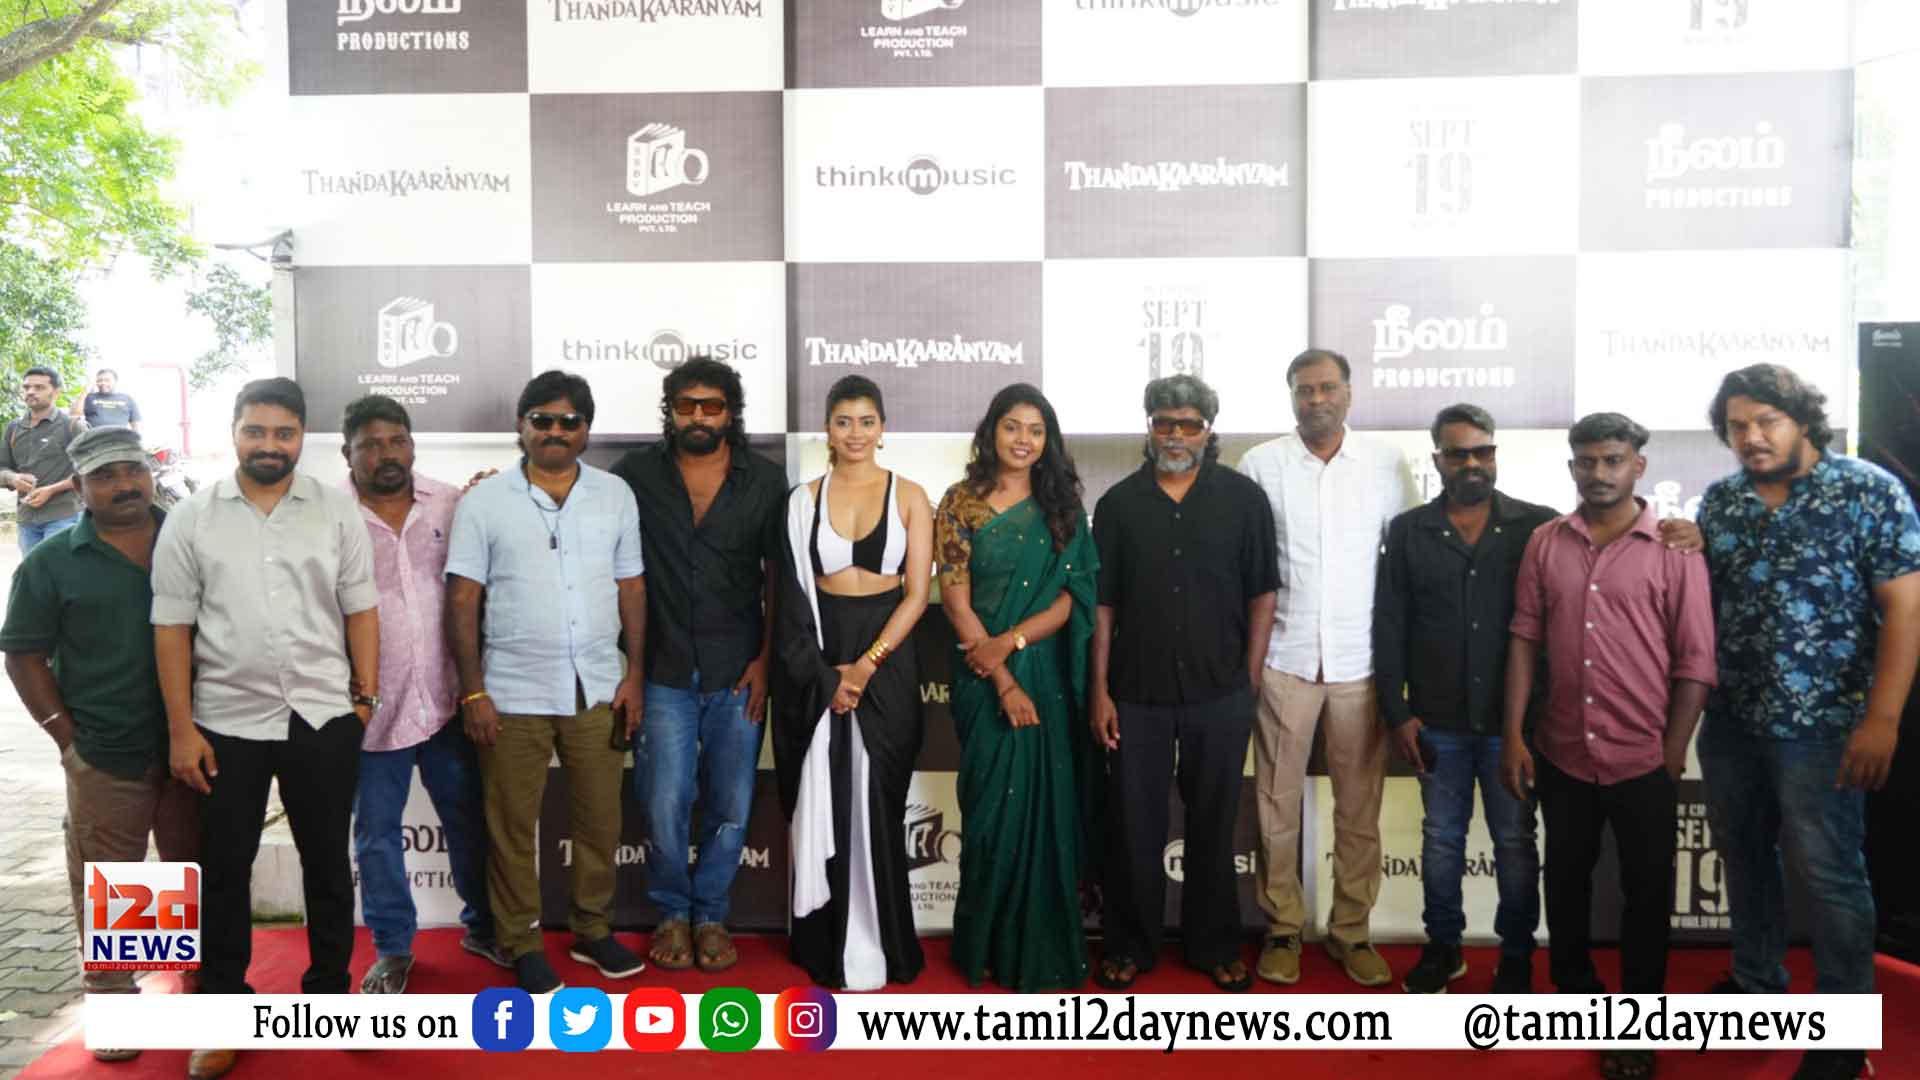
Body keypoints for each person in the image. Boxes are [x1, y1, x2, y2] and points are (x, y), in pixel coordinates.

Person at [1695, 365, 1920, 1080]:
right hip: (1732, 719)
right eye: (1737, 426)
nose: (1752, 437)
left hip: (1828, 725)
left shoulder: (1869, 491)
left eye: (1767, 421)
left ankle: (1843, 1040)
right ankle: (1757, 986)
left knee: (1830, 876)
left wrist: (1883, 718)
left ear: (1803, 421)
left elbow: (1906, 609)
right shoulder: (1721, 502)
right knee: (1742, 858)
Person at [152, 378, 379, 1080]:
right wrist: (182, 730)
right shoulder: (192, 517)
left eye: (284, 432)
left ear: (302, 436)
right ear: (234, 432)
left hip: (322, 716)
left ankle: (331, 995)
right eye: (256, 430)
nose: (270, 445)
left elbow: (360, 608)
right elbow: (171, 626)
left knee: (327, 865)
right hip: (226, 722)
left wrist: (364, 699)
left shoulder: (335, 512)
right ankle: (223, 1013)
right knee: (224, 870)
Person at [1502, 412, 1716, 1080]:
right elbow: (1524, 639)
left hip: (1643, 757)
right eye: (1587, 461)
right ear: (1572, 466)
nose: (1599, 473)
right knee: (1565, 880)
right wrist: (1513, 734)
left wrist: (1672, 751)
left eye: (1613, 460)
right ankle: (1576, 991)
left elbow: (1696, 661)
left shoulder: (1675, 550)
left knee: (1646, 894)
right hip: (1561, 749)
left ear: (1638, 466)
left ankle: (1639, 1024)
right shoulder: (1545, 542)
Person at [445, 370, 648, 994]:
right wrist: (474, 691)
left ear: (586, 430)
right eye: (542, 420)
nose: (555, 431)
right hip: (510, 691)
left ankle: (592, 929)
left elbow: (631, 585)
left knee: (600, 821)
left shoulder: (615, 494)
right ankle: (521, 940)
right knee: (512, 826)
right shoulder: (483, 501)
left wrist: (636, 674)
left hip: (598, 685)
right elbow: (462, 598)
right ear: (521, 425)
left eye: (568, 421)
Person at [0, 426, 196, 1064]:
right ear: (78, 487)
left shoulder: (189, 539)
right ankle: (114, 1005)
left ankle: (192, 991)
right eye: (105, 476)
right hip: (105, 749)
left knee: (187, 873)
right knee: (115, 880)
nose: (124, 485)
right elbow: (23, 654)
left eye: (132, 471)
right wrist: (66, 738)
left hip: (194, 746)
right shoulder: (52, 562)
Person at [1091, 374, 1279, 994]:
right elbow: (1102, 607)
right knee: (1133, 826)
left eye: (1188, 424)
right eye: (1164, 423)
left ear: (1208, 430)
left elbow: (1262, 594)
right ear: (1149, 428)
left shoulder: (1244, 501)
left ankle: (1215, 945)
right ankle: (1129, 945)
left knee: (1214, 824)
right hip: (1135, 693)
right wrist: (1100, 691)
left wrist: (1249, 680)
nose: (1175, 434)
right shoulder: (1118, 505)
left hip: (1220, 691)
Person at [1238, 348, 1417, 987]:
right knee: (1275, 804)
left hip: (1360, 663)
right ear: (1291, 396)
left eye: (1327, 388)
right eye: (1304, 390)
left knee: (1359, 809)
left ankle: (1351, 930)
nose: (1316, 400)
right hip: (1284, 659)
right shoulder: (1260, 464)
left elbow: (1407, 560)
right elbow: (1245, 566)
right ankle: (1283, 927)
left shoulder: (1386, 463)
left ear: (1348, 393)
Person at [610, 357, 786, 973]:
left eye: (712, 406)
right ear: (671, 412)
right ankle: (670, 913)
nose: (699, 416)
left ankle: (710, 914)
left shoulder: (766, 482)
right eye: (687, 405)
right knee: (663, 801)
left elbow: (778, 581)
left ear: (730, 413)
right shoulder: (634, 475)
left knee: (732, 803)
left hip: (738, 669)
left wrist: (765, 660)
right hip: (661, 668)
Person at [1374, 404, 1555, 994]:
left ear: (1495, 454)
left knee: (1515, 844)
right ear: (1438, 460)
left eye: (1483, 451)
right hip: (1437, 723)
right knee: (1441, 842)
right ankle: (1443, 947)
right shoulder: (1409, 531)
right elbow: (1390, 627)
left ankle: (1517, 956)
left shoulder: (1538, 527)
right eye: (1459, 454)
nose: (1473, 463)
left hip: (1513, 727)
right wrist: (1398, 713)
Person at [772, 375, 932, 990]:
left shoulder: (911, 496)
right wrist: (826, 674)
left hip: (888, 660)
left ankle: (887, 944)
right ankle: (826, 942)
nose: (856, 433)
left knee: (880, 802)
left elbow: (916, 595)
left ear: (883, 429)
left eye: (867, 421)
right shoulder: (801, 502)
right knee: (831, 796)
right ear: (828, 430)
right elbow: (789, 599)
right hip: (821, 657)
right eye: (844, 421)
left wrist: (867, 665)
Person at [939, 384, 1100, 991]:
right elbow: (956, 602)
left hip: (1043, 676)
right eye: (1012, 427)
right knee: (988, 816)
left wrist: (1010, 643)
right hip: (984, 680)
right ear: (992, 432)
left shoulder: (1062, 507)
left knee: (1046, 816)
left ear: (1048, 439)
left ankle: (1038, 945)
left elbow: (1072, 598)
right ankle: (985, 943)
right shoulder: (960, 502)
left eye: (1035, 430)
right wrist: (1004, 680)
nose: (1023, 440)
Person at [339, 395, 498, 995]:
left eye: (397, 440)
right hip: (371, 708)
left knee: (467, 820)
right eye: (370, 444)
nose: (386, 454)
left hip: (447, 700)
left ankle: (483, 926)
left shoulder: (451, 504)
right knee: (376, 834)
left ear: (412, 445)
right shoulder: (330, 516)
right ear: (348, 452)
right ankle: (392, 948)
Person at [2, 365, 89, 554]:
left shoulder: (72, 426)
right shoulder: (14, 428)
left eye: (39, 387)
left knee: (58, 570)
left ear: (56, 392)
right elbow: (3, 468)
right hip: (27, 519)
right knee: (33, 571)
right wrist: (13, 479)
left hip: (64, 516)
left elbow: (91, 471)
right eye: (27, 387)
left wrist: (52, 490)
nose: (30, 392)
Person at [78, 368, 143, 432]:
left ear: (115, 381)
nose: (103, 383)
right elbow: (75, 415)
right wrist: (86, 390)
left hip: (119, 437)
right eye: (99, 380)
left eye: (107, 380)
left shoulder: (127, 399)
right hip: (95, 437)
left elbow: (136, 425)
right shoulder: (90, 397)